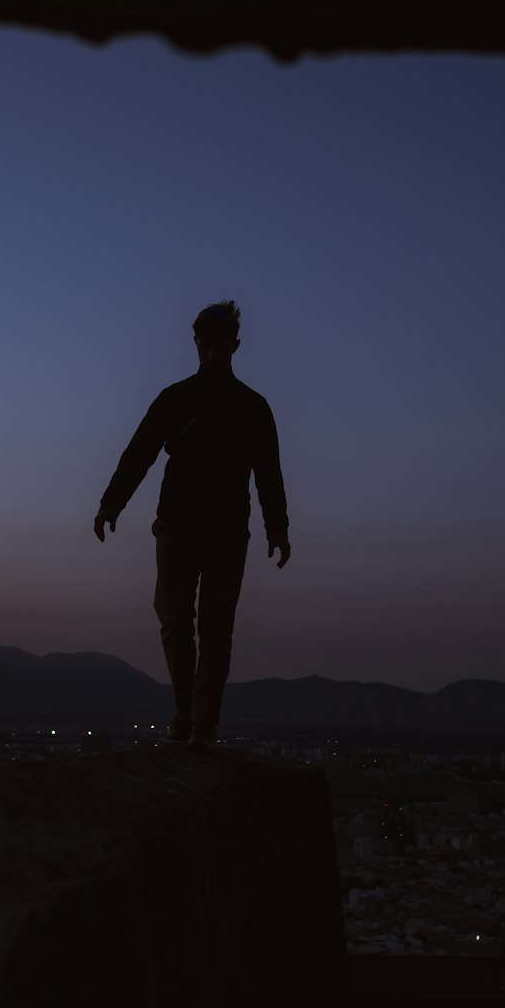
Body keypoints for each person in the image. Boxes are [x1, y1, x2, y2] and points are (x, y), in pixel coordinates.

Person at [94, 301, 290, 752]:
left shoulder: (252, 408)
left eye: (223, 347)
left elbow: (269, 472)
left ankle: (203, 726)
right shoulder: (176, 399)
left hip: (226, 532)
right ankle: (185, 714)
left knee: (216, 630)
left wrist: (276, 528)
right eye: (208, 346)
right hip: (176, 526)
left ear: (235, 347)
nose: (215, 354)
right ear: (196, 344)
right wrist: (111, 504)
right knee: (176, 621)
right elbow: (139, 452)